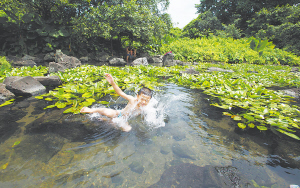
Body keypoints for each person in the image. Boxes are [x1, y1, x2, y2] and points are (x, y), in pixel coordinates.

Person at [80, 73, 152, 132]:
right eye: (142, 99)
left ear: (149, 100)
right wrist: (112, 82)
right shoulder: (132, 100)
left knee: (127, 129)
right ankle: (91, 110)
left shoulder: (146, 108)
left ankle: (109, 120)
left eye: (146, 100)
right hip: (119, 113)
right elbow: (120, 93)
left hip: (124, 120)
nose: (143, 102)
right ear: (137, 96)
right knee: (107, 112)